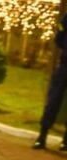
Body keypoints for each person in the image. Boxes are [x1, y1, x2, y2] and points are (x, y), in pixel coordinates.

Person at [33, 12, 67, 151]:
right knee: (54, 100)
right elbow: (59, 38)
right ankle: (42, 136)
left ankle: (65, 140)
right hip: (65, 65)